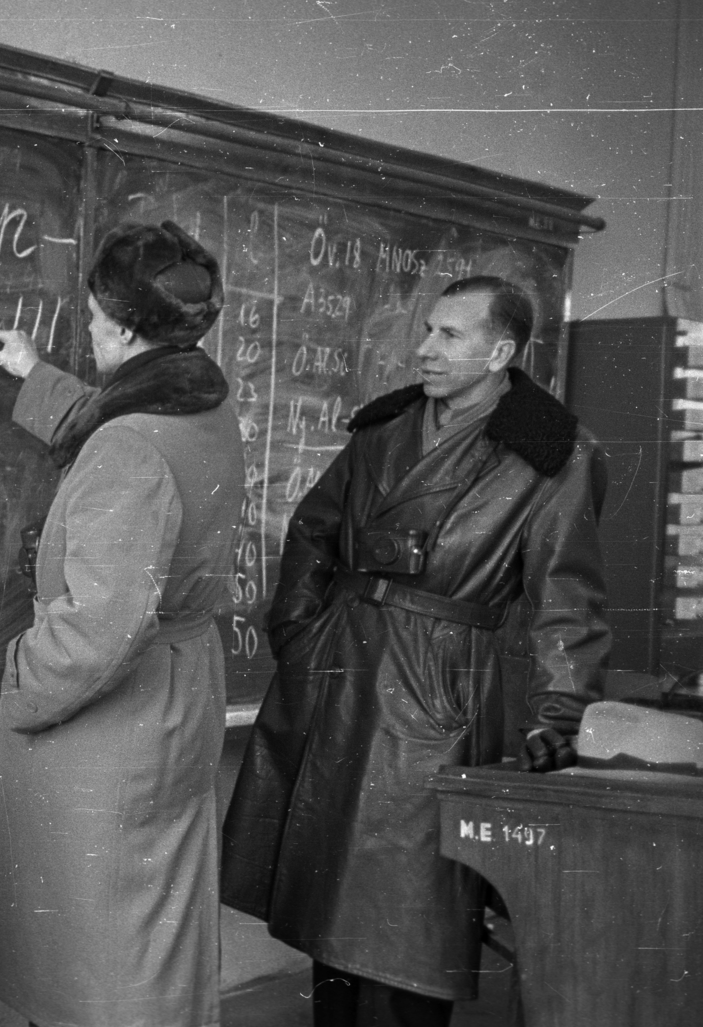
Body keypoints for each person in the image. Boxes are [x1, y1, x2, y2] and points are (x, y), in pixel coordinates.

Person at [221, 276, 610, 1026]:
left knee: (409, 931)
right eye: (427, 329)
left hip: (444, 692)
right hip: (340, 680)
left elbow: (571, 603)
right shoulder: (385, 429)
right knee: (329, 917)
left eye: (449, 335)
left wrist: (560, 721)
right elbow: (312, 532)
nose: (425, 349)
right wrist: (303, 639)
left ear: (501, 352)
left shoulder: (553, 453)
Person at [0, 219, 244, 1027]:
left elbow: (99, 629)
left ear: (125, 328)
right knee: (149, 935)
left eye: (93, 319)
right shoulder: (204, 398)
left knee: (102, 955)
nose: (87, 328)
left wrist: (18, 681)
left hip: (112, 726)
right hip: (176, 699)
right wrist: (33, 372)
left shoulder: (129, 448)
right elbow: (121, 416)